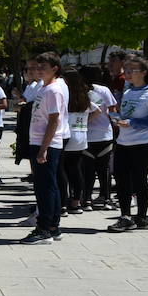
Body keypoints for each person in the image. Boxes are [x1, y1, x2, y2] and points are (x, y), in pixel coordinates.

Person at [107, 56, 148, 232]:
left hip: (142, 143)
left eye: (131, 71)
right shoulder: (128, 92)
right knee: (121, 180)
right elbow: (126, 113)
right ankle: (125, 216)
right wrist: (117, 118)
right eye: (126, 70)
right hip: (123, 142)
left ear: (143, 73)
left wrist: (132, 123)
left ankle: (142, 217)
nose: (127, 74)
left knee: (139, 180)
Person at [23, 52, 69, 245]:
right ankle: (52, 227)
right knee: (49, 186)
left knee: (45, 188)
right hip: (41, 141)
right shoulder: (46, 87)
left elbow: (54, 120)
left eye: (43, 67)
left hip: (46, 143)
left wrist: (44, 148)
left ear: (54, 69)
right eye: (37, 67)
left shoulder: (54, 90)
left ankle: (44, 228)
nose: (39, 70)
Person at [79, 66, 117, 209]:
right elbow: (113, 109)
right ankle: (105, 198)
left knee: (87, 169)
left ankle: (87, 199)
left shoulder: (78, 91)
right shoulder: (104, 90)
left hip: (86, 134)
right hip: (104, 134)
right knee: (104, 168)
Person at [60, 70, 93, 215]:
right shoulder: (84, 96)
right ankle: (76, 202)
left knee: (62, 170)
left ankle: (62, 202)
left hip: (67, 134)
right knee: (76, 169)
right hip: (81, 135)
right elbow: (98, 111)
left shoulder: (66, 96)